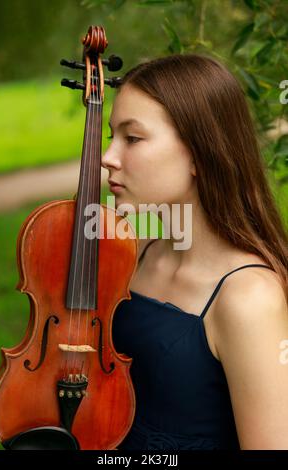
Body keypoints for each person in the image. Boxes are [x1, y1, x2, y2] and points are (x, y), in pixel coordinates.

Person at [101, 53, 288, 450]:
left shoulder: (248, 297)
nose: (108, 158)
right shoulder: (134, 257)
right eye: (111, 137)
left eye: (132, 139)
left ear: (200, 152)